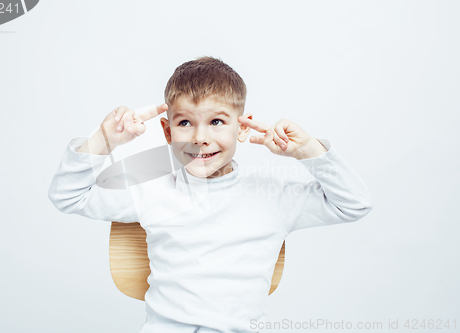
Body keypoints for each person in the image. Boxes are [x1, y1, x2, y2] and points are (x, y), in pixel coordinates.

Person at [48, 56, 373, 333]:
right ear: (167, 131)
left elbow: (355, 204)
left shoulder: (272, 194)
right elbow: (68, 196)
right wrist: (103, 142)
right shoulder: (152, 184)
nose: (201, 137)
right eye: (186, 122)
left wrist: (308, 151)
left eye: (217, 121)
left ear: (242, 127)